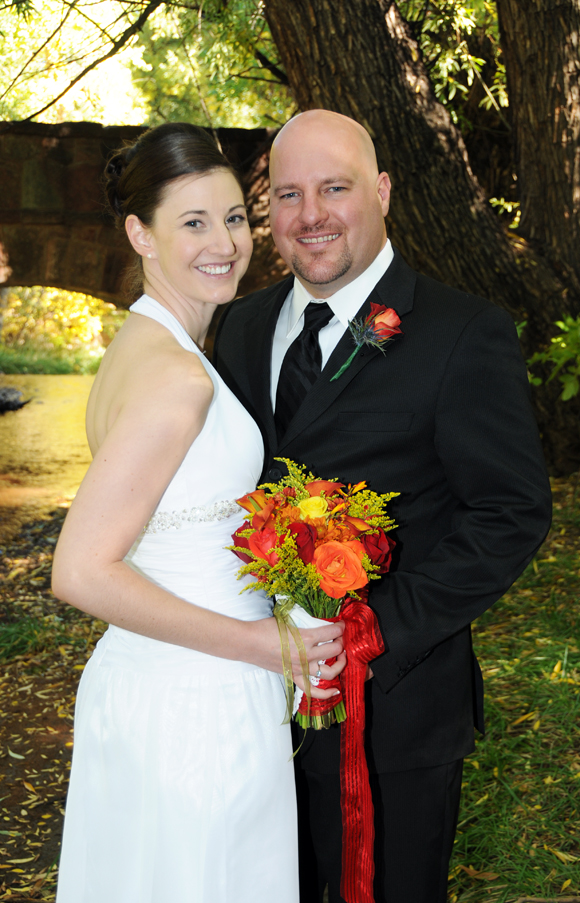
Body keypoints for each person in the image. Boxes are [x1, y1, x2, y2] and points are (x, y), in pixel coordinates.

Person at [212, 110, 553, 903]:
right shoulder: (239, 325)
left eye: (335, 187)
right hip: (248, 707)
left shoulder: (464, 332)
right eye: (289, 194)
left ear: (384, 191)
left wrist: (373, 630)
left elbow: (510, 512)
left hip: (394, 709)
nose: (311, 214)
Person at [51, 121, 345, 903]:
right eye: (193, 222)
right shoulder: (176, 379)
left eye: (235, 218)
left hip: (161, 687)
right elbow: (81, 569)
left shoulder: (142, 345)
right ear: (138, 233)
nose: (226, 243)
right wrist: (261, 641)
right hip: (196, 708)